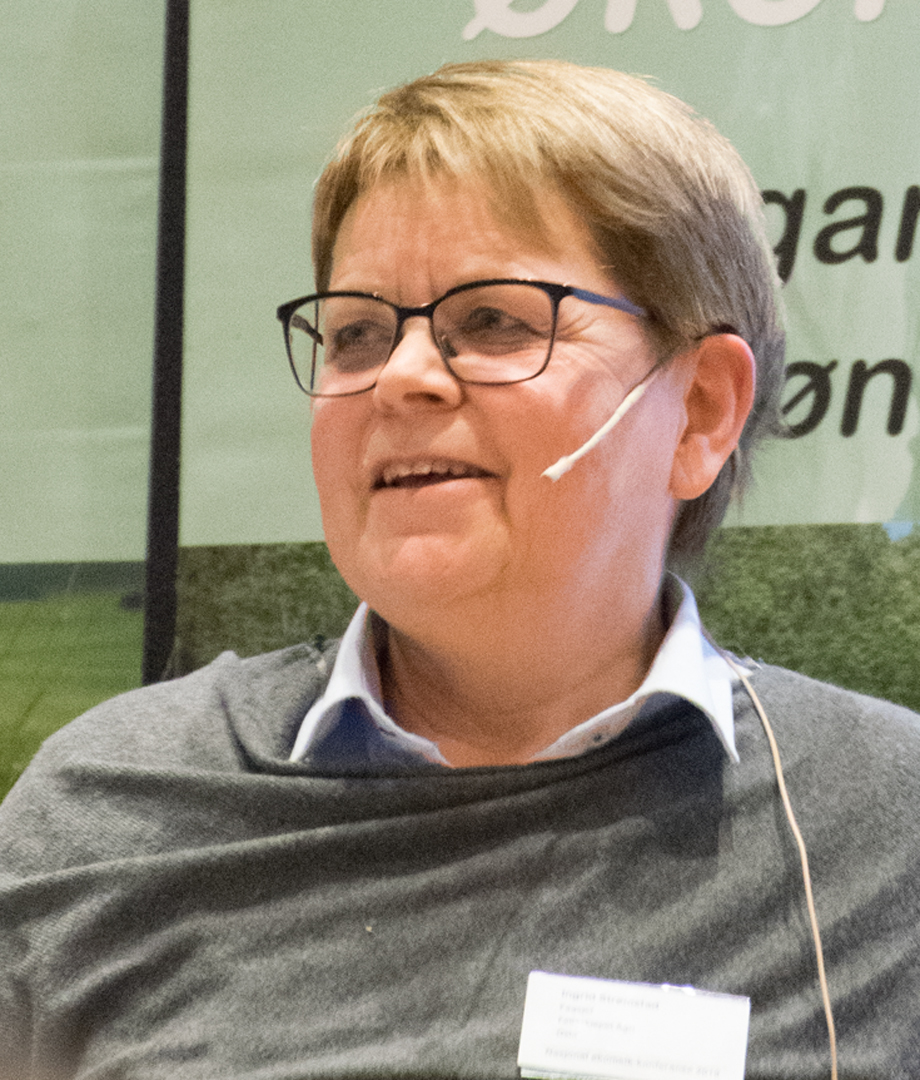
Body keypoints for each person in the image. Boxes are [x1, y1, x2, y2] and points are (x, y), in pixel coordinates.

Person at [1, 59, 918, 1080]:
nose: (399, 379)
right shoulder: (108, 810)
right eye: (355, 334)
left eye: (493, 322)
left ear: (700, 411)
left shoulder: (884, 829)